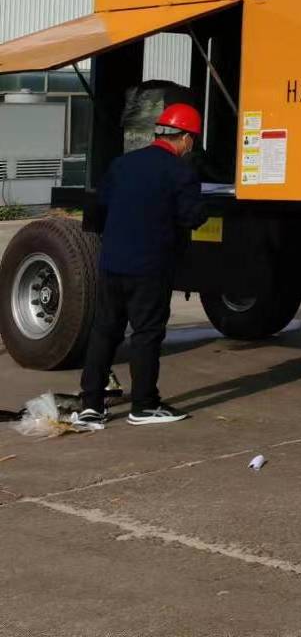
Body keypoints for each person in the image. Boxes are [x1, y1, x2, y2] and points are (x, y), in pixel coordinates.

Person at [71, 103, 209, 429]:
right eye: (193, 140)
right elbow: (191, 217)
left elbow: (99, 207)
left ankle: (91, 405)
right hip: (150, 268)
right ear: (186, 138)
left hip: (113, 263)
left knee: (105, 331)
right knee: (146, 334)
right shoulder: (181, 173)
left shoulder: (123, 164)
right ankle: (144, 405)